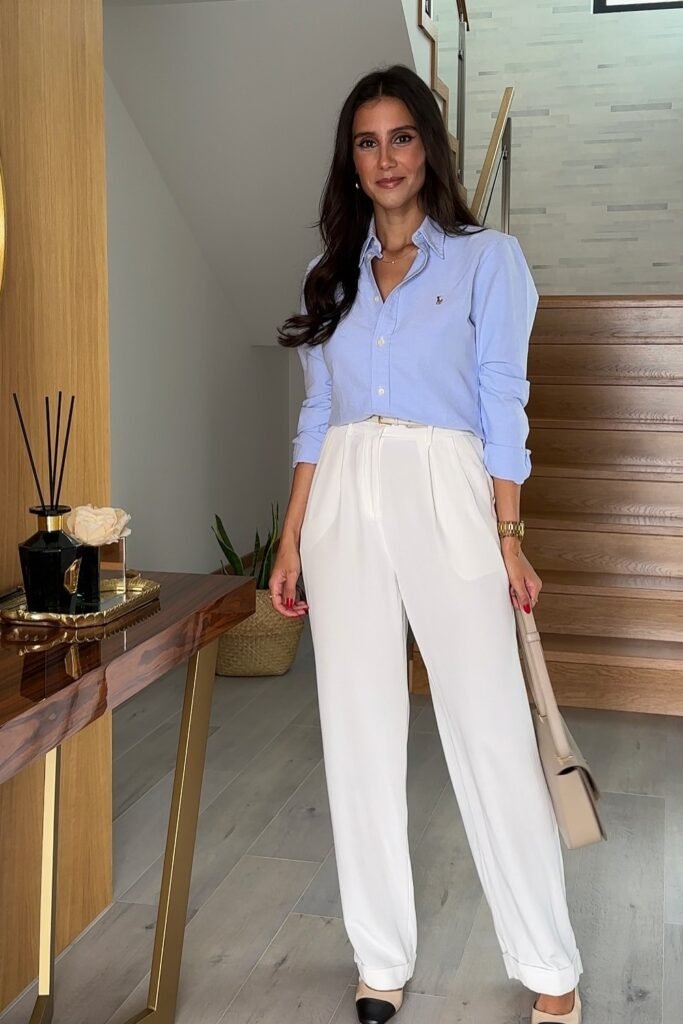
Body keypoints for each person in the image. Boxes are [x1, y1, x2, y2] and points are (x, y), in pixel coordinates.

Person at [270, 64, 582, 1024]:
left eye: (400, 137)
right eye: (366, 142)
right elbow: (317, 413)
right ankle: (379, 961)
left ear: (428, 149)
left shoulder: (489, 260)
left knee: (486, 729)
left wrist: (509, 533)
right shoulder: (334, 274)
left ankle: (549, 968)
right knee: (356, 733)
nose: (385, 158)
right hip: (343, 502)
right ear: (350, 160)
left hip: (448, 491)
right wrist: (287, 542)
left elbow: (502, 404)